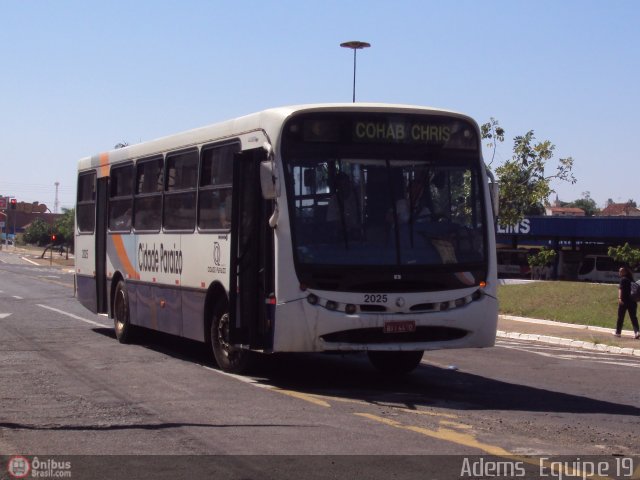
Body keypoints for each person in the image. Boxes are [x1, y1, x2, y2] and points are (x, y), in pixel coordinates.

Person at [615, 266, 640, 339]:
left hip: (624, 301)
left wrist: (619, 298)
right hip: (632, 302)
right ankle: (637, 332)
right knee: (633, 318)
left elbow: (620, 289)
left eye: (621, 271)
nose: (619, 273)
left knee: (620, 317)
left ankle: (618, 333)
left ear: (625, 272)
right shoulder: (631, 280)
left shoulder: (623, 279)